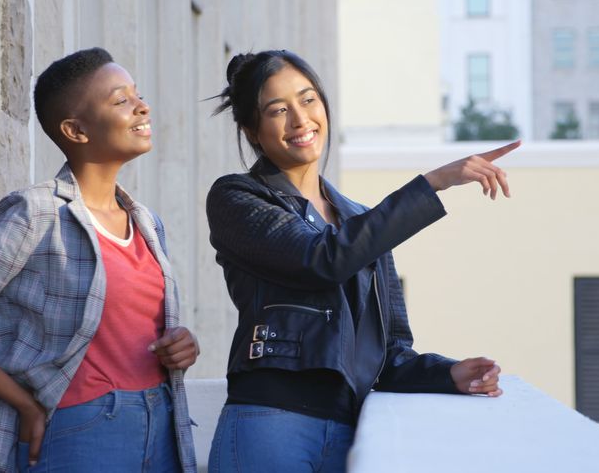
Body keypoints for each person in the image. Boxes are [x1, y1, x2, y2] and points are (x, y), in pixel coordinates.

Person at [205, 50, 515, 472]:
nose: (300, 120)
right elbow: (321, 259)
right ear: (252, 130)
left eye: (308, 99)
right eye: (278, 110)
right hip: (270, 422)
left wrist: (450, 374)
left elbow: (389, 354)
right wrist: (433, 183)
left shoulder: (358, 218)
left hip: (350, 430)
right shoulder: (237, 198)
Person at [0, 48, 198, 473]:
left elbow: (130, 330)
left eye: (137, 95)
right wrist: (24, 403)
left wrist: (181, 345)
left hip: (163, 422)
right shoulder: (37, 212)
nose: (142, 106)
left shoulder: (147, 222)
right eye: (121, 100)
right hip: (83, 429)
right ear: (75, 130)